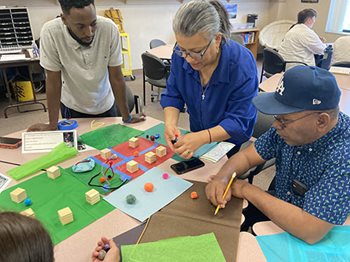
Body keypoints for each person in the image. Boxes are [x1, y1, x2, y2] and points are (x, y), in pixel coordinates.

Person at [206, 66, 350, 244]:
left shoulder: (344, 156)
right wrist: (223, 177)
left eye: (283, 120)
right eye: (276, 116)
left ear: (321, 121)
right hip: (277, 205)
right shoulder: (286, 129)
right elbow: (246, 157)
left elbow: (310, 230)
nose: (275, 125)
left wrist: (245, 189)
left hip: (314, 234)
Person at [160, 0, 258, 159]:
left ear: (217, 39)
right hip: (197, 132)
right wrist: (170, 124)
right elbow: (173, 93)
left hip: (229, 142)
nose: (189, 59)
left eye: (196, 51)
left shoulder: (241, 64)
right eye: (183, 50)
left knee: (218, 178)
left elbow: (240, 121)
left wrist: (203, 137)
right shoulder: (182, 54)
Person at [28, 0, 144, 132]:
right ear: (64, 20)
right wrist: (52, 125)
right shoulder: (50, 32)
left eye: (93, 24)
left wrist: (126, 117)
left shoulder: (109, 29)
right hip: (73, 106)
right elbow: (53, 83)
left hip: (105, 103)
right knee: (78, 148)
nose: (89, 33)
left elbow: (116, 77)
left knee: (111, 145)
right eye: (80, 26)